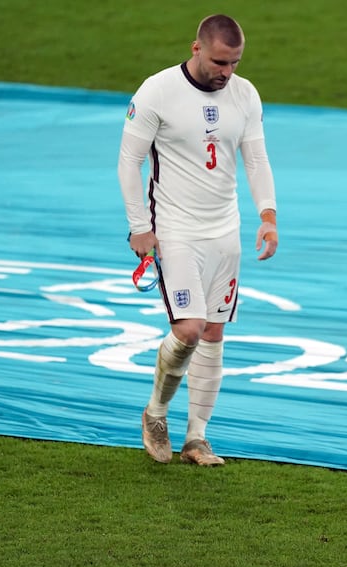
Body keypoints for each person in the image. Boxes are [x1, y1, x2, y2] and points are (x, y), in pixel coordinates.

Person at [116, 14, 278, 467]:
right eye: (220, 62)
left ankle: (197, 438)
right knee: (187, 330)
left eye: (235, 63)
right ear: (196, 49)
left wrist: (268, 216)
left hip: (224, 230)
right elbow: (129, 162)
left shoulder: (244, 94)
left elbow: (256, 158)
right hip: (176, 229)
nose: (227, 72)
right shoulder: (157, 92)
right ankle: (156, 412)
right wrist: (139, 226)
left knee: (213, 331)